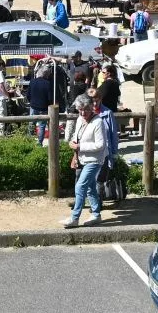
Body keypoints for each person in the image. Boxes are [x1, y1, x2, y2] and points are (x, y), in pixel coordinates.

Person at [62, 96, 106, 228]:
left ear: (92, 107)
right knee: (90, 188)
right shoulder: (80, 119)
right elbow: (77, 137)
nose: (82, 113)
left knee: (80, 186)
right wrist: (74, 150)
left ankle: (75, 217)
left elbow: (100, 145)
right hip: (82, 158)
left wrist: (80, 147)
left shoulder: (98, 122)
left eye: (86, 109)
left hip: (94, 160)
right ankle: (96, 214)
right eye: (80, 109)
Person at [26, 65, 55, 143]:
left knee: (31, 123)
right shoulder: (48, 84)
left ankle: (28, 141)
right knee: (42, 126)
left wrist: (32, 102)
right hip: (44, 108)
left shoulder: (32, 81)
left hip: (33, 106)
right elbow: (50, 98)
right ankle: (39, 143)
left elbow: (28, 95)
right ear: (46, 74)